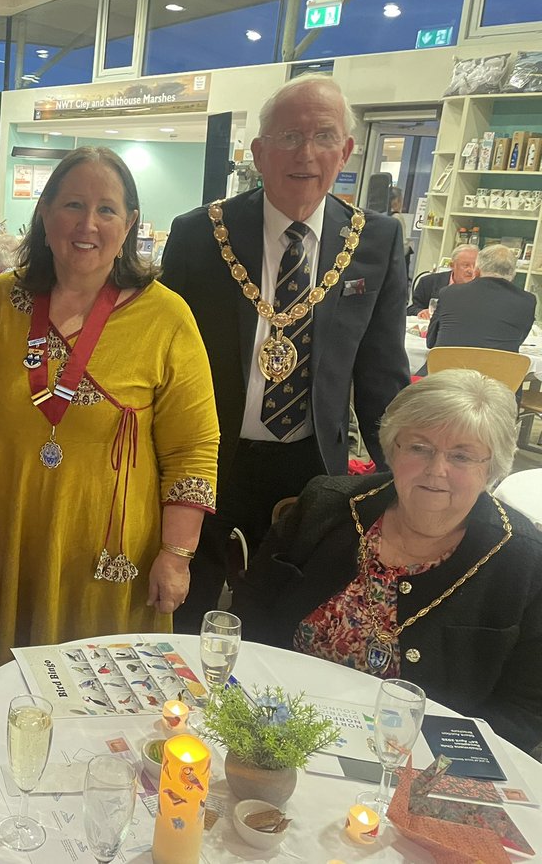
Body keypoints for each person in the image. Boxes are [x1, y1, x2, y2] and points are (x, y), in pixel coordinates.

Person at [0, 146, 219, 698]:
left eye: (107, 209)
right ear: (44, 214)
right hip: (3, 536)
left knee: (99, 702)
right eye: (72, 204)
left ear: (131, 224)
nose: (88, 224)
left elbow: (194, 449)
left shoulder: (166, 316)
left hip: (110, 555)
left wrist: (177, 555)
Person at [162, 74, 410, 633]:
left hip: (312, 472)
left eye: (324, 136)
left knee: (285, 620)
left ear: (345, 152)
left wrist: (401, 476)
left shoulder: (376, 241)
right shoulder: (201, 235)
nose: (306, 153)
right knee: (182, 608)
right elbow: (165, 361)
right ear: (258, 152)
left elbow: (381, 378)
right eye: (289, 136)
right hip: (208, 458)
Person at [234, 370, 542, 752]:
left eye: (461, 455)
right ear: (392, 449)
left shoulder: (523, 560)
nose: (437, 469)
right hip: (279, 729)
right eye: (419, 447)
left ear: (491, 468)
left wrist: (441, 763)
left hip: (419, 763)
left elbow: (527, 708)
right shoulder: (327, 504)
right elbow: (252, 606)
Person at [426, 243, 535, 356]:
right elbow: (517, 341)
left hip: (446, 369)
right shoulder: (527, 301)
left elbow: (431, 342)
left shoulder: (449, 293)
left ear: (477, 270)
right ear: (513, 274)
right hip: (499, 371)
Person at [409, 243, 479, 317]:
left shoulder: (484, 285)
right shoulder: (429, 282)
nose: (471, 270)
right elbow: (411, 309)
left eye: (475, 266)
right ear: (452, 266)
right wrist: (421, 312)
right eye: (466, 265)